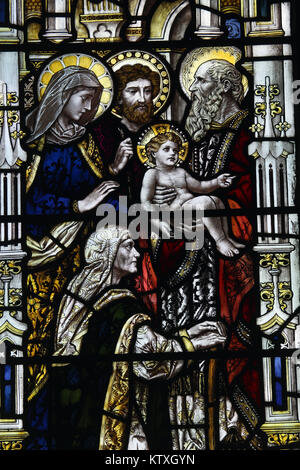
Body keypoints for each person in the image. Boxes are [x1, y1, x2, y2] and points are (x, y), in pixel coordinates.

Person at [147, 57, 264, 449]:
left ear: (227, 87)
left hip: (221, 271)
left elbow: (259, 199)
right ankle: (188, 437)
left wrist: (214, 206)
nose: (193, 91)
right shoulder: (191, 145)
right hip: (186, 271)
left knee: (228, 343)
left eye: (200, 83)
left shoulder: (248, 137)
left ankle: (235, 428)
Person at [50, 225, 229, 450]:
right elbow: (150, 361)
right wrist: (191, 343)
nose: (136, 254)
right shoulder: (119, 308)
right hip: (113, 424)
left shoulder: (82, 302)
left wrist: (188, 334)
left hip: (85, 417)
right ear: (109, 254)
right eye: (128, 246)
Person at [25, 65, 120, 401]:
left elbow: (100, 189)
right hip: (40, 254)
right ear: (62, 95)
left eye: (95, 101)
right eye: (84, 98)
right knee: (42, 333)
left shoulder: (87, 142)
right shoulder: (33, 145)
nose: (89, 108)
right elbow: (25, 201)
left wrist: (114, 176)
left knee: (81, 332)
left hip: (83, 253)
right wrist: (79, 205)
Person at [140, 131, 244, 257]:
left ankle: (227, 237)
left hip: (188, 208)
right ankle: (220, 241)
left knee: (217, 200)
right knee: (205, 202)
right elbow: (145, 201)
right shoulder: (152, 174)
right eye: (166, 149)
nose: (172, 153)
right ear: (153, 153)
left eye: (176, 150)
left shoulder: (181, 172)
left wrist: (217, 182)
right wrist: (158, 219)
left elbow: (201, 187)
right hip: (173, 213)